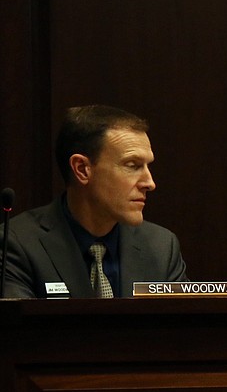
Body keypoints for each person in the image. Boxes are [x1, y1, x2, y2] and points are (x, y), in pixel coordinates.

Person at [1, 105, 187, 298]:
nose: (150, 183)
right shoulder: (16, 245)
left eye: (147, 167)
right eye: (133, 166)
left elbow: (179, 326)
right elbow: (19, 327)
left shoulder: (161, 247)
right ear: (82, 169)